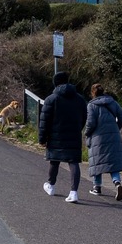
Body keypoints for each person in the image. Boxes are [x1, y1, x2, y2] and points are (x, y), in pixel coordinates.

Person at [38, 71, 88, 203]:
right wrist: (78, 128)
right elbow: (84, 117)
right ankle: (74, 192)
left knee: (54, 160)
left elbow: (44, 121)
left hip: (56, 136)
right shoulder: (80, 99)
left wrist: (42, 139)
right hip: (74, 135)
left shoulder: (51, 99)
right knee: (73, 163)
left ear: (55, 83)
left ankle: (51, 185)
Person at [84, 83, 122, 201]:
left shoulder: (91, 105)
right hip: (113, 136)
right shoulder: (112, 102)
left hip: (97, 137)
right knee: (112, 162)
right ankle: (117, 183)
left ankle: (97, 187)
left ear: (93, 93)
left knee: (97, 161)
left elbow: (91, 123)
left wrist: (86, 133)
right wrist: (115, 128)